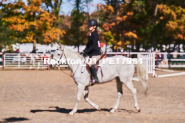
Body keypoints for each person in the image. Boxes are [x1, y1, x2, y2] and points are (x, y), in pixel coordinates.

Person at [82, 19, 102, 84]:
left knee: (90, 63)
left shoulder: (95, 34)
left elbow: (93, 46)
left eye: (91, 25)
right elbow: (88, 45)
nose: (89, 26)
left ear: (94, 26)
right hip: (92, 53)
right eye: (89, 25)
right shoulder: (90, 34)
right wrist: (84, 51)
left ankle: (96, 78)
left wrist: (87, 52)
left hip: (96, 53)